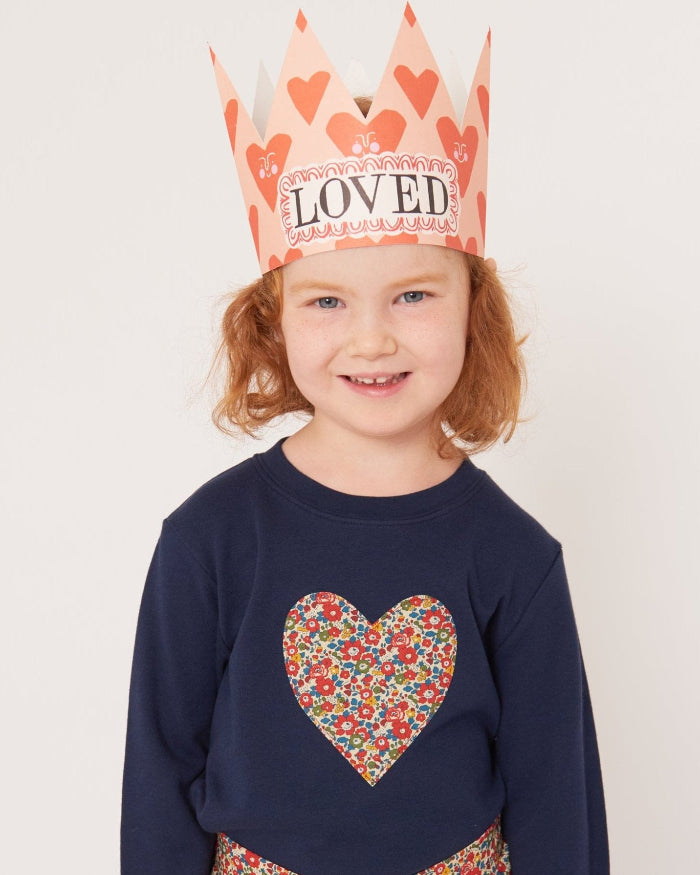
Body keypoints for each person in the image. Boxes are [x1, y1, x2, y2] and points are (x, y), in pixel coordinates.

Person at [121, 6, 608, 874]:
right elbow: (160, 779)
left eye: (413, 295)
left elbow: (558, 808)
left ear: (474, 308)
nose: (372, 339)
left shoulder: (514, 558)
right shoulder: (207, 541)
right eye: (328, 301)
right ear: (273, 321)